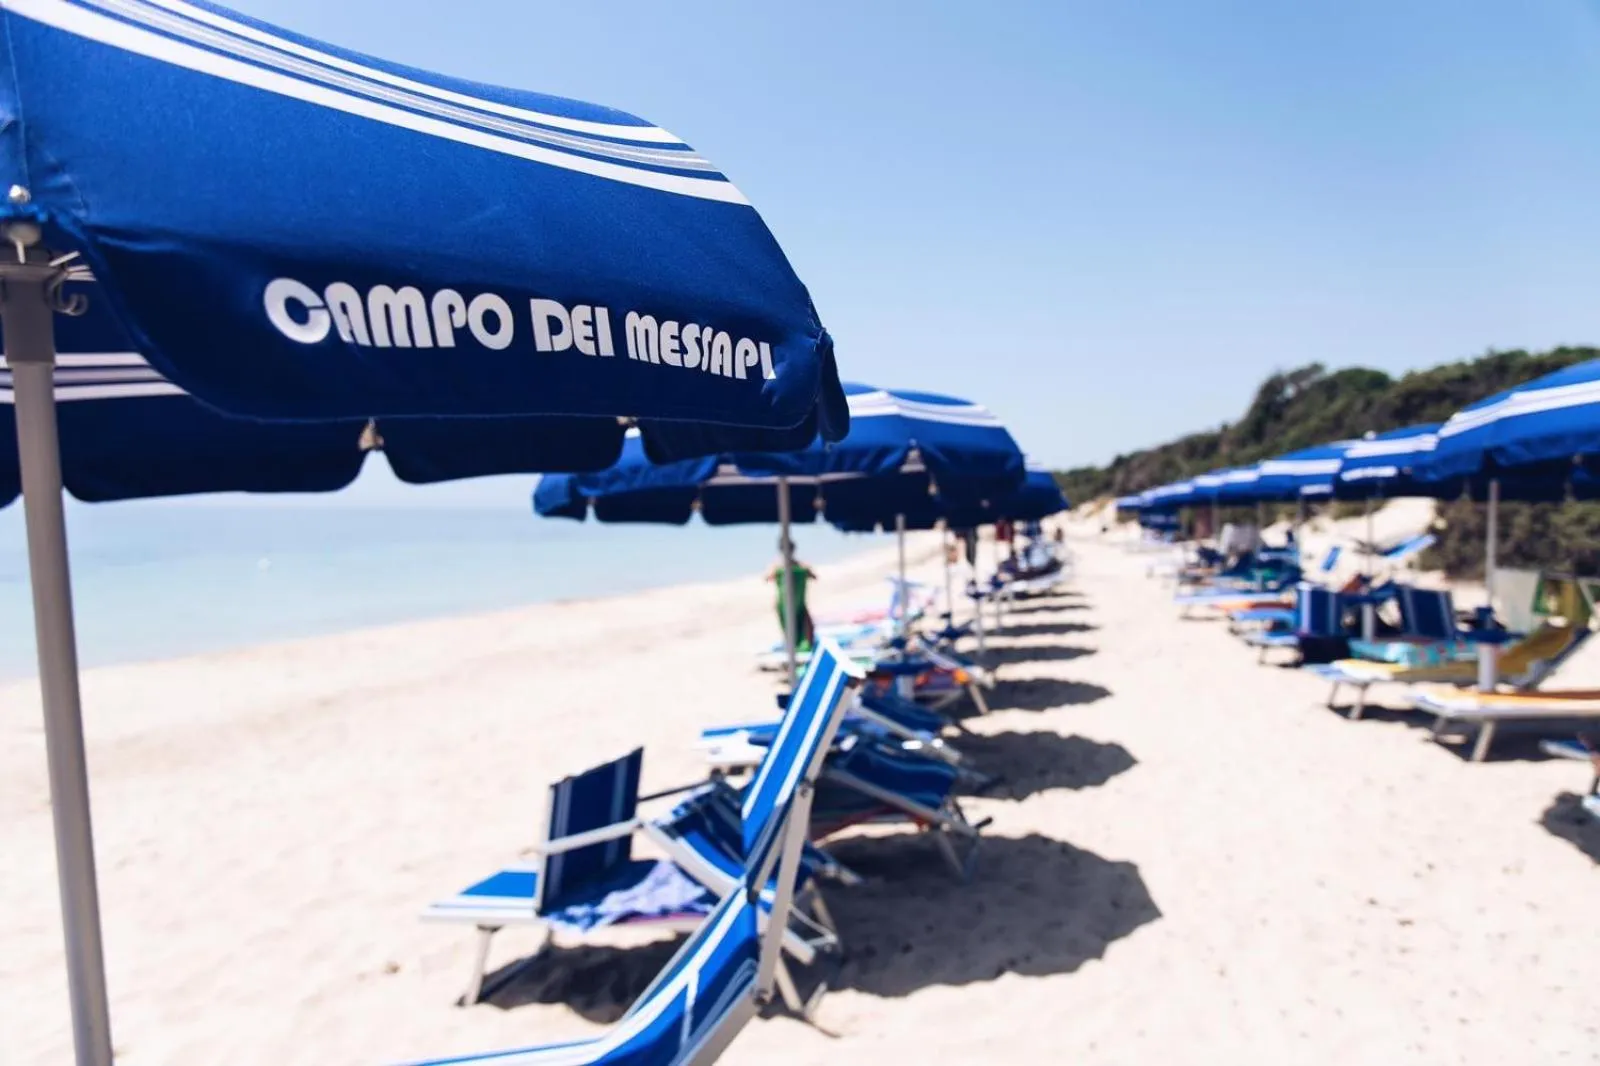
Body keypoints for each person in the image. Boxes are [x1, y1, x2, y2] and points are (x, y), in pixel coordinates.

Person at [768, 541, 817, 651]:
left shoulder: (799, 566)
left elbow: (814, 576)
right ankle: (794, 651)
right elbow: (767, 578)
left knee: (806, 627)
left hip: (798, 602)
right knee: (790, 630)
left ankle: (800, 650)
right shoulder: (778, 567)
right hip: (784, 604)